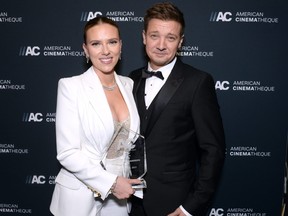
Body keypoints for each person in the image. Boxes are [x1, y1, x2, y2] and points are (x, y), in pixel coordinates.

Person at [129, 2, 226, 216]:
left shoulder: (198, 82)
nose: (161, 45)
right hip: (130, 202)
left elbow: (213, 150)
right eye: (155, 36)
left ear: (180, 42)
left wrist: (190, 207)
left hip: (174, 204)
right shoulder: (130, 79)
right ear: (144, 37)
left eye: (170, 38)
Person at [50, 16, 141, 216]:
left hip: (119, 200)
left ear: (121, 46)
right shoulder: (71, 86)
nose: (105, 51)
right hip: (80, 198)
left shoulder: (128, 84)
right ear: (85, 50)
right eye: (96, 44)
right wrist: (111, 183)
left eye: (112, 42)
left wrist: (122, 182)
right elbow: (67, 153)